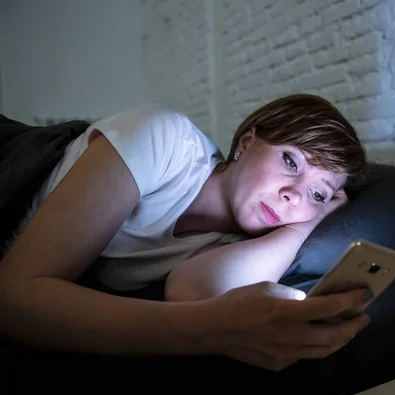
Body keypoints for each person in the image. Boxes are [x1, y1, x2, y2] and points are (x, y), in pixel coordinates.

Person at [0, 94, 372, 372]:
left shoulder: (243, 244)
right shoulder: (165, 140)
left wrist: (305, 223)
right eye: (291, 160)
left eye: (318, 192)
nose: (293, 194)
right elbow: (13, 299)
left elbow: (194, 293)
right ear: (245, 143)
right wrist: (213, 329)